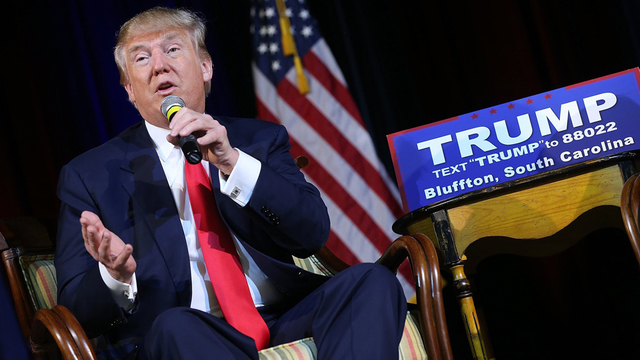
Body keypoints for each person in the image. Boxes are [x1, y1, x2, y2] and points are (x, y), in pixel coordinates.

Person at [55, 6, 406, 360]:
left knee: (370, 281)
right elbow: (74, 308)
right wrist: (115, 276)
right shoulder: (90, 174)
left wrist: (233, 162)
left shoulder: (259, 139)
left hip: (280, 315)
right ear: (130, 88)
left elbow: (311, 234)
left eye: (173, 49)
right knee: (177, 326)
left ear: (205, 67)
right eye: (142, 57)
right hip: (182, 333)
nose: (159, 65)